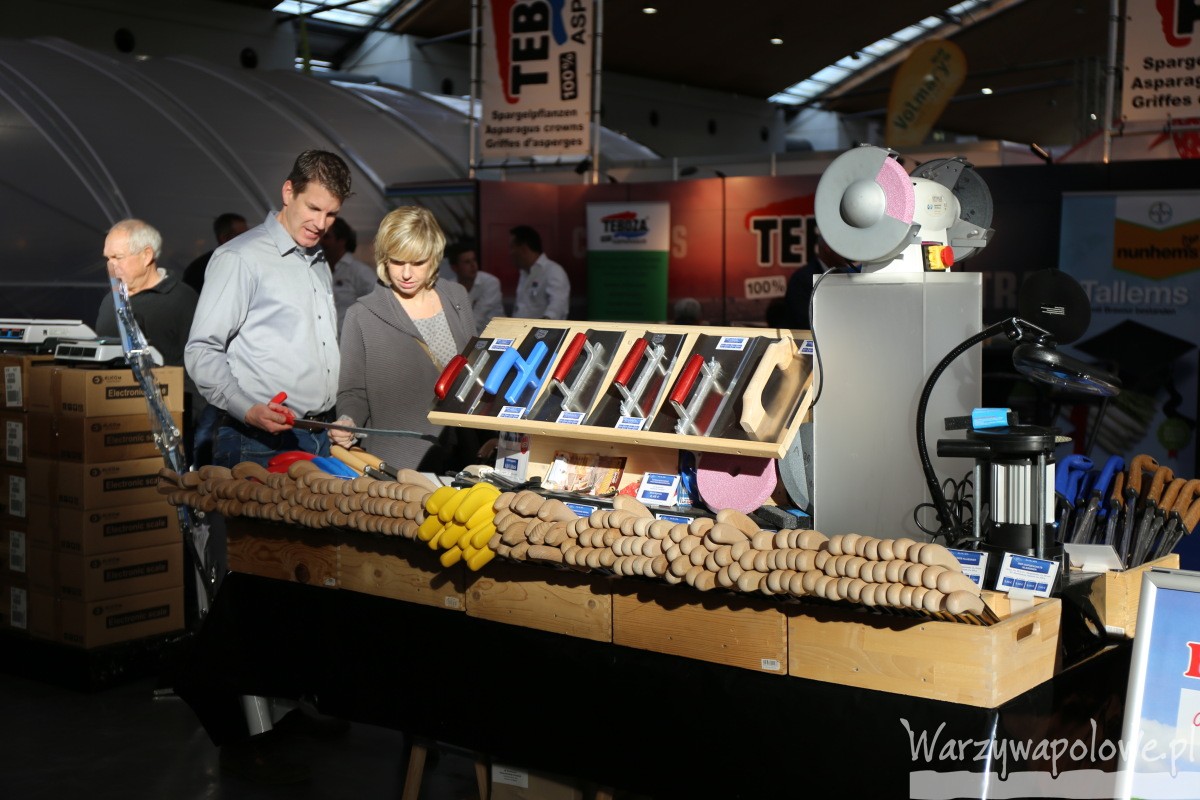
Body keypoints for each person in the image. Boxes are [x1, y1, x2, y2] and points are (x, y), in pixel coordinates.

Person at [186, 150, 350, 471]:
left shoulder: (317, 259)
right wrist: (247, 409)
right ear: (288, 192)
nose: (321, 224)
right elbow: (202, 350)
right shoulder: (240, 257)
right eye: (313, 208)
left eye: (331, 214)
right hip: (258, 442)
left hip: (320, 436)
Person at [331, 207, 478, 473]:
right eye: (397, 262)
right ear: (384, 259)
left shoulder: (456, 296)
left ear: (434, 257)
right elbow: (353, 391)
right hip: (400, 462)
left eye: (418, 262)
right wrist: (348, 420)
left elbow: (475, 367)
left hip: (463, 455)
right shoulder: (362, 315)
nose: (407, 274)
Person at [94, 219, 204, 458]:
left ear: (146, 255)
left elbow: (199, 367)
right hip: (110, 426)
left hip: (168, 431)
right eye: (107, 259)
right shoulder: (109, 301)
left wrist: (184, 423)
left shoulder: (182, 300)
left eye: (118, 257)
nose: (111, 266)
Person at [321, 216, 378, 334]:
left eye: (326, 237)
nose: (320, 241)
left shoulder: (359, 272)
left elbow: (379, 306)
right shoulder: (318, 270)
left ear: (342, 241)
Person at [509, 224, 570, 320]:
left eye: (512, 247)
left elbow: (557, 308)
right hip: (518, 328)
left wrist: (541, 327)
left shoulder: (553, 271)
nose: (510, 253)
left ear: (524, 249)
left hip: (542, 329)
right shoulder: (524, 273)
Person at [447, 238, 504, 334]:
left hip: (497, 335)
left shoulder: (490, 282)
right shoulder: (449, 287)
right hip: (468, 337)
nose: (473, 265)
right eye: (467, 262)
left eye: (474, 260)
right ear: (455, 267)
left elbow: (477, 319)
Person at [182, 212, 248, 294]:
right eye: (241, 235)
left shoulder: (245, 261)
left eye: (249, 234)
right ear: (224, 238)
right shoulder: (200, 268)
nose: (248, 239)